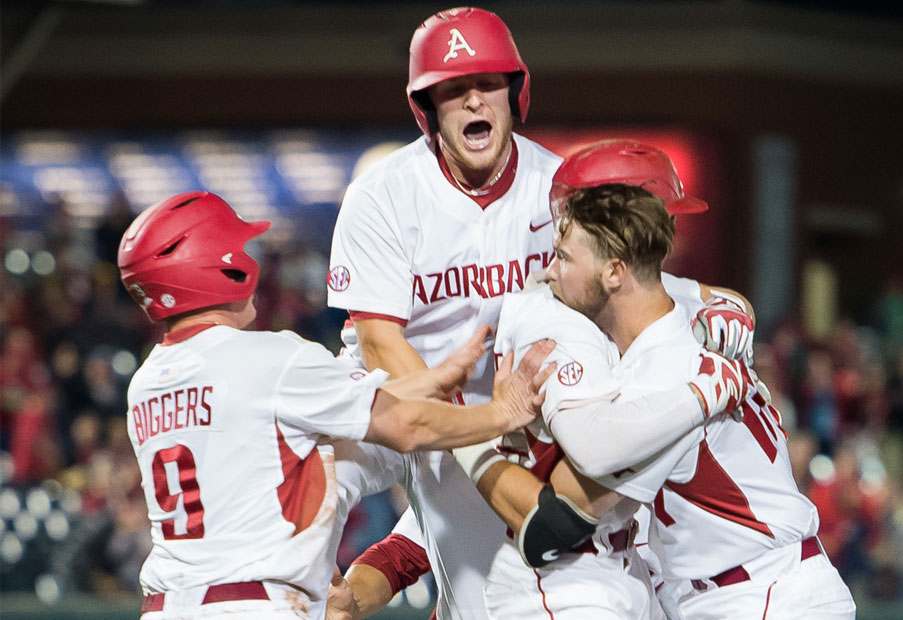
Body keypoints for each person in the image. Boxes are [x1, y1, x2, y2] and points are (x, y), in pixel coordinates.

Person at [326, 8, 755, 619]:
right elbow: (378, 344)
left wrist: (721, 298)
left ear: (514, 91)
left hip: (520, 400)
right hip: (400, 392)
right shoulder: (383, 192)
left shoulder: (555, 184)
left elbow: (629, 274)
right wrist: (466, 434)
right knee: (310, 476)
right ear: (428, 107)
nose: (473, 98)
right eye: (452, 88)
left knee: (495, 583)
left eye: (488, 82)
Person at [459, 142, 857, 619]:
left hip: (759, 595)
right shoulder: (683, 314)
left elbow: (556, 524)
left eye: (564, 256)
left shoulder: (660, 372)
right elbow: (711, 297)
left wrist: (465, 430)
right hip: (751, 587)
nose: (548, 271)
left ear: (614, 268)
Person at [117, 191, 555, 620]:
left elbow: (330, 402)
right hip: (255, 603)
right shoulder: (273, 359)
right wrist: (501, 412)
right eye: (235, 247)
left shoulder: (146, 383)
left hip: (166, 605)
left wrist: (432, 379)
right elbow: (406, 426)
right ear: (215, 265)